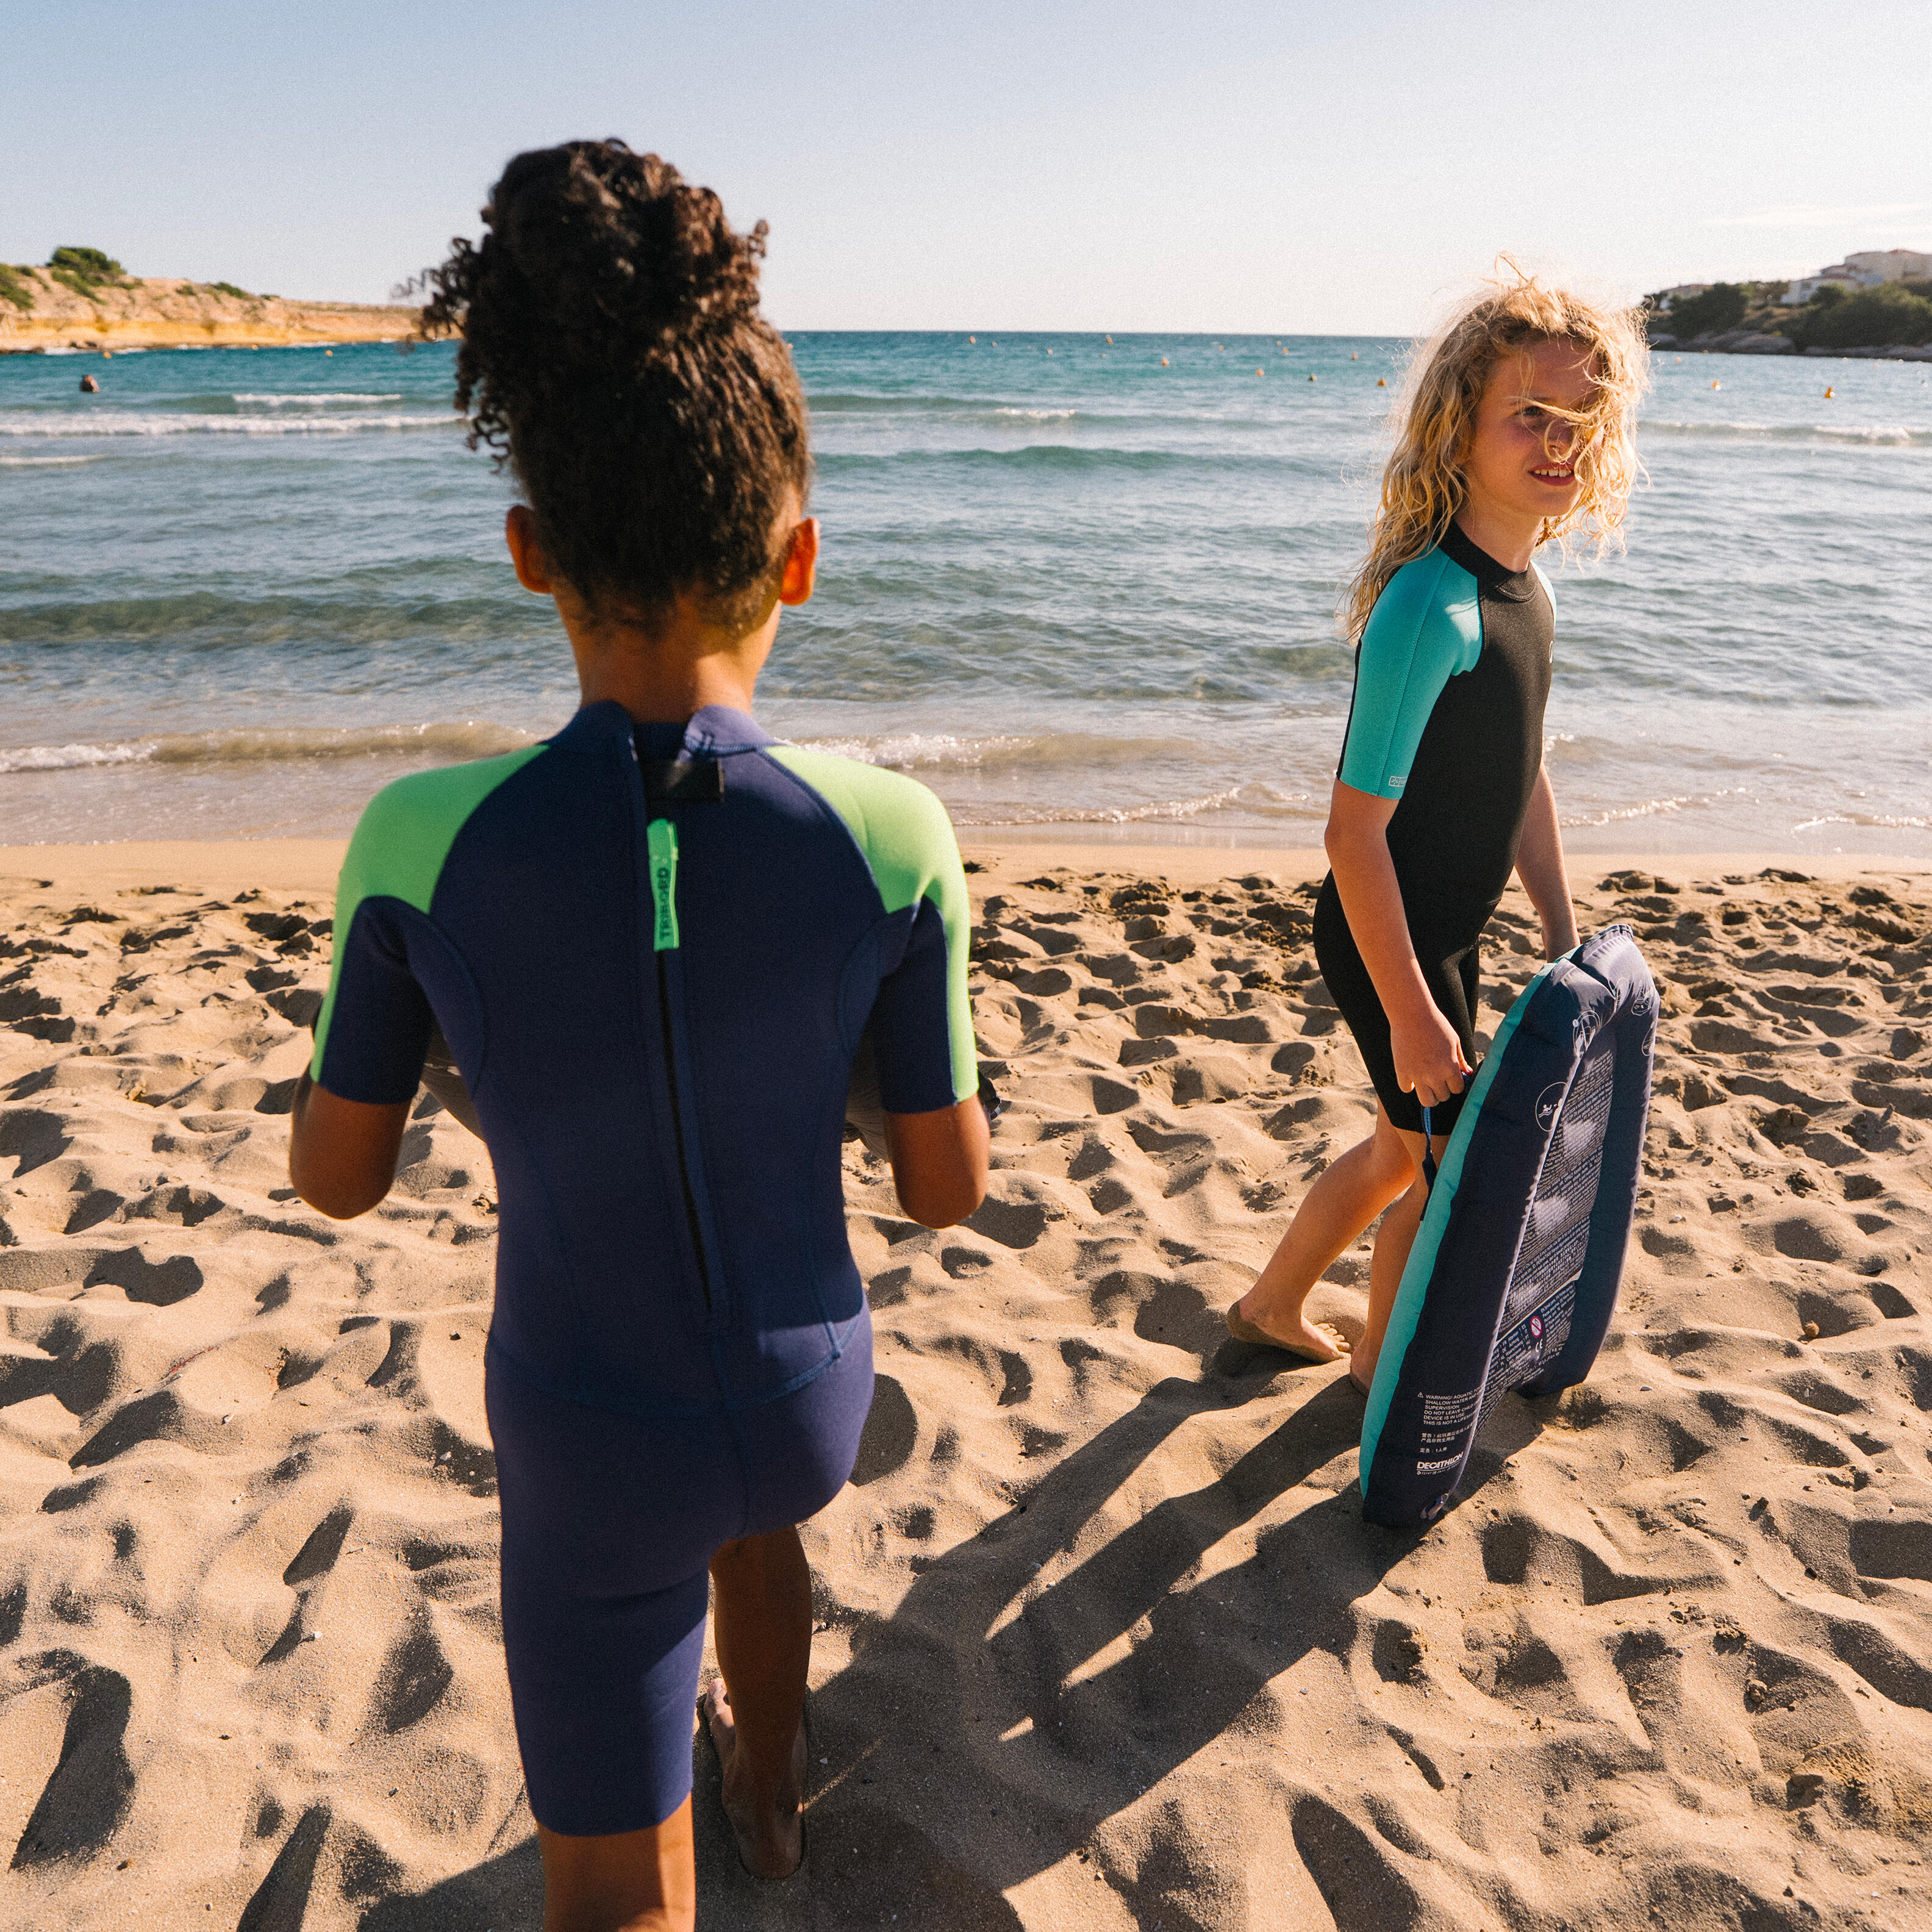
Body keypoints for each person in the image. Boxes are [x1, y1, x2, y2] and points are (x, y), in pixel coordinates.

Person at [287, 140, 990, 1932]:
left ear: (530, 553)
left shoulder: (417, 840)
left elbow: (339, 1179)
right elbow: (944, 1190)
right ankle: (770, 1782)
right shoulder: (897, 835)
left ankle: (703, 1802)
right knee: (747, 1499)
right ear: (800, 560)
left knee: (613, 1897)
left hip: (590, 1427)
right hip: (806, 1397)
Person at [1226, 268, 1647, 1391]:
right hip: (1388, 934)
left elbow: (1522, 770)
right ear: (1458, 428)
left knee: (1397, 1147)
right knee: (1435, 1165)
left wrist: (1559, 929)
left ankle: (1270, 1306)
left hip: (1449, 935)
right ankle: (1381, 1371)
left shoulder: (1529, 594)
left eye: (1581, 418)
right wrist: (1413, 1014)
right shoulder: (1429, 605)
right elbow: (1352, 837)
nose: (1558, 442)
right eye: (1529, 414)